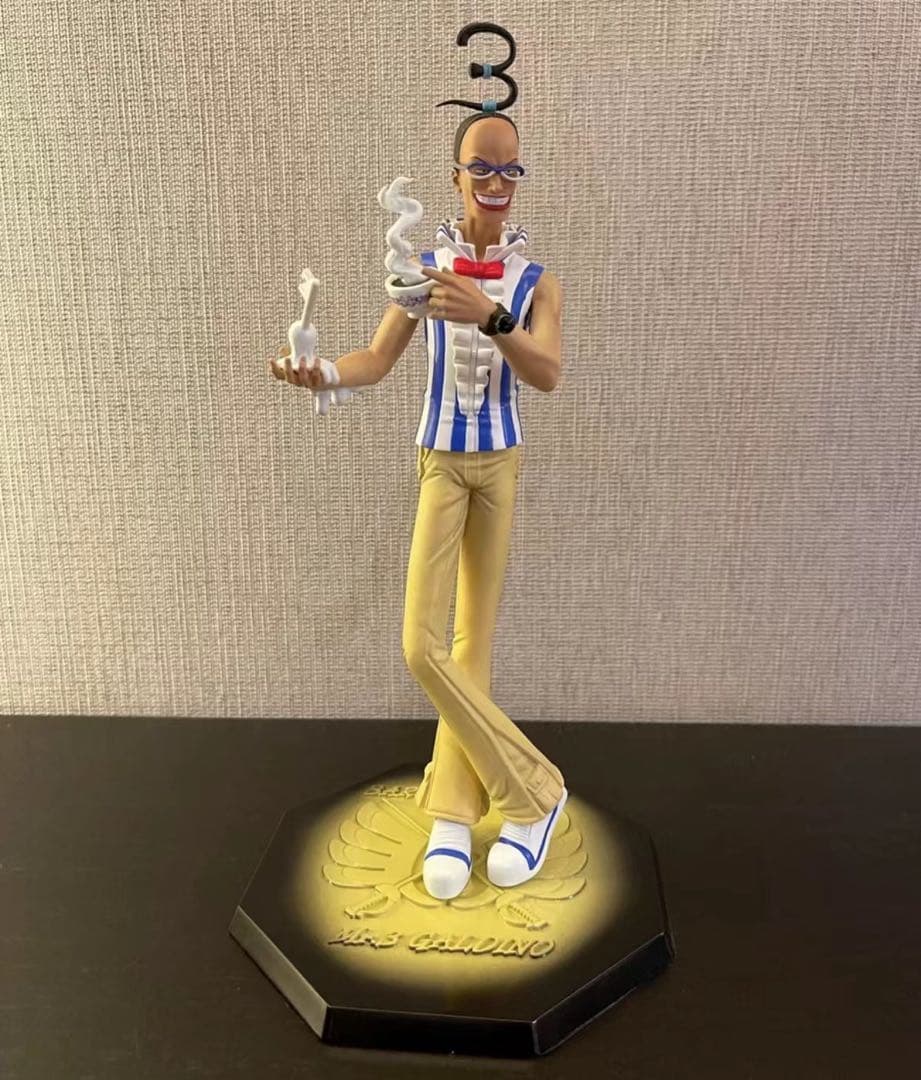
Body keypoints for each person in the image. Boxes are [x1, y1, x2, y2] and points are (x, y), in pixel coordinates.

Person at [269, 22, 568, 902]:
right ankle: (535, 791)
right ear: (455, 175)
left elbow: (547, 373)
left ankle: (451, 813)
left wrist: (490, 316)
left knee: (473, 643)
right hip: (441, 460)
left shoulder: (535, 281)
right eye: (482, 169)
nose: (497, 185)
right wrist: (319, 373)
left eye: (510, 170)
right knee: (420, 643)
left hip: (500, 463)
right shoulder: (425, 268)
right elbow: (374, 358)